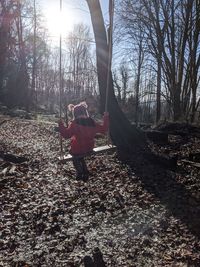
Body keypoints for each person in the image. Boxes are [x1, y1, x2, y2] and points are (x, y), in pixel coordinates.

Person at [58, 102, 109, 181]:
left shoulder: (75, 123)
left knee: (74, 157)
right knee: (80, 157)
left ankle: (80, 172)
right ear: (85, 112)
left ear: (75, 114)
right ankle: (85, 171)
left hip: (77, 149)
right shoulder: (92, 122)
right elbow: (104, 129)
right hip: (89, 147)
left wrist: (60, 124)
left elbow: (66, 135)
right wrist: (106, 117)